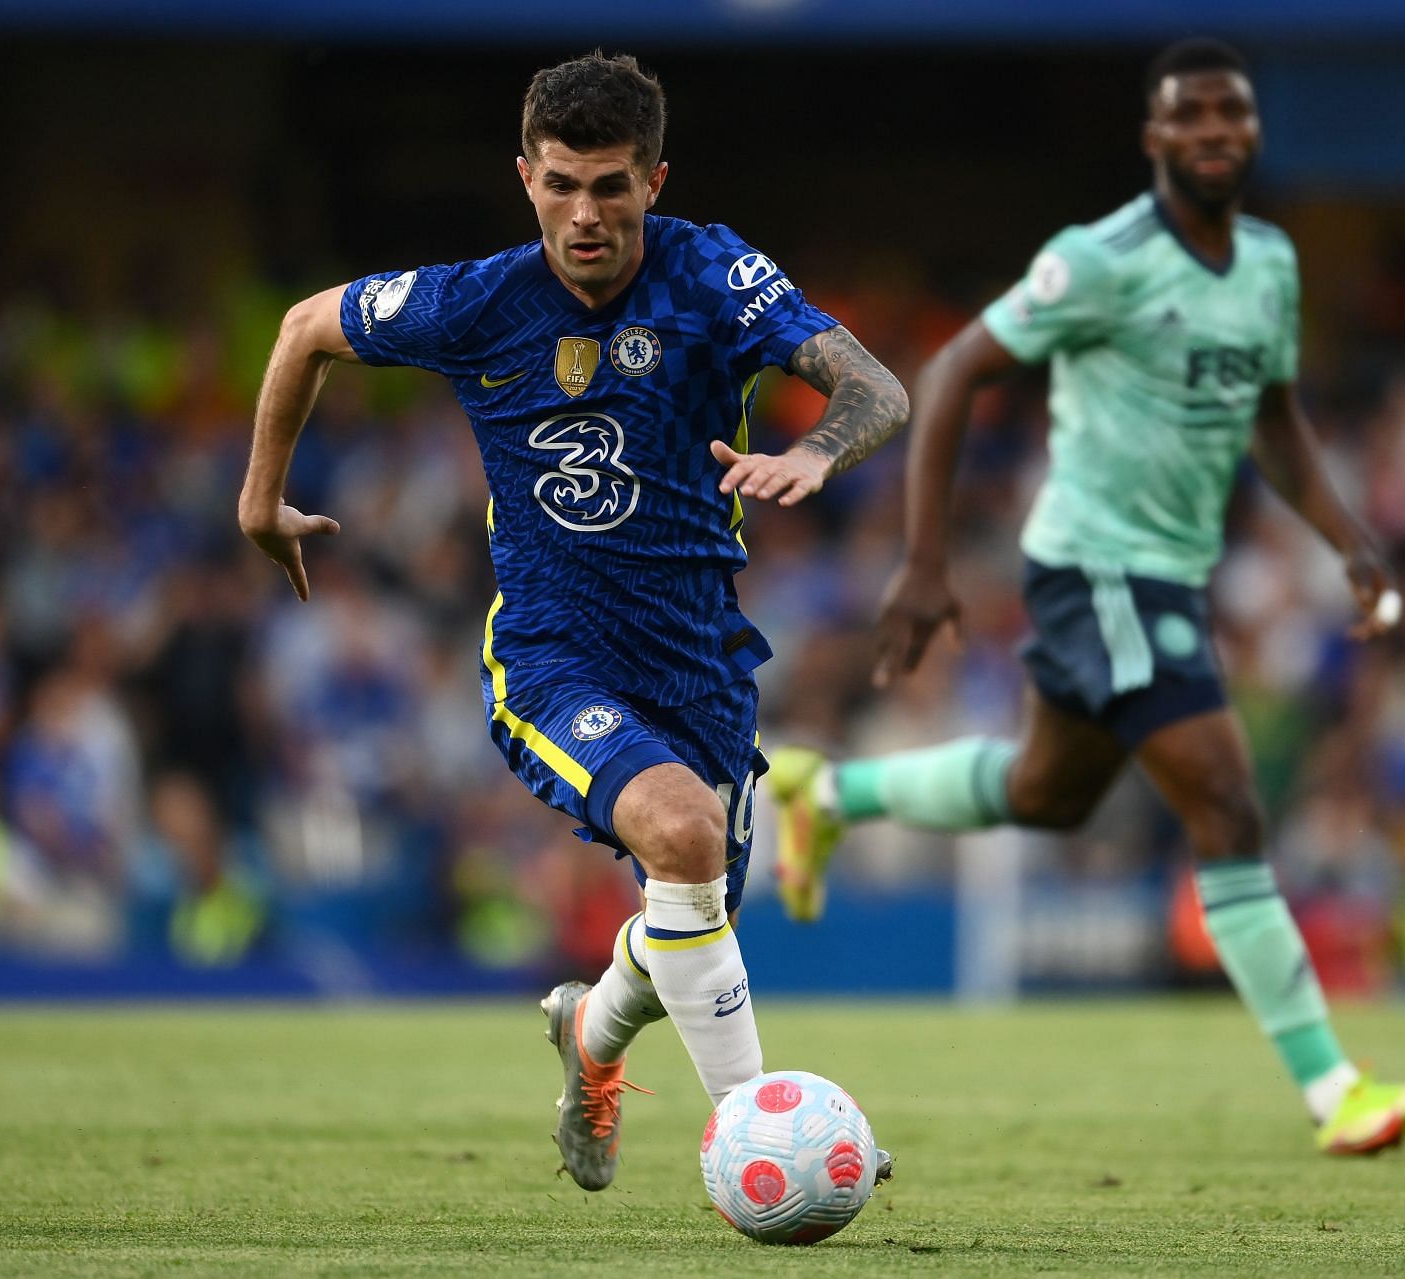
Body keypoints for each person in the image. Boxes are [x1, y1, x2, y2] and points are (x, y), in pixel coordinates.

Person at [237, 52, 908, 1190]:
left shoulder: (713, 272)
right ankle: (762, 1134)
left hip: (700, 664)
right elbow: (306, 327)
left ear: (655, 178)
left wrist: (812, 451)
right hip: (552, 655)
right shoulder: (478, 302)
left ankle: (587, 1035)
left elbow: (876, 387)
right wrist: (259, 502)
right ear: (524, 178)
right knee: (685, 838)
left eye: (610, 185)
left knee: (686, 915)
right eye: (560, 184)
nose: (584, 213)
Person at [770, 38, 1405, 1156]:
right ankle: (1335, 1090)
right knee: (1226, 805)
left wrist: (1348, 539)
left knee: (1046, 792)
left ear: (1253, 131)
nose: (1218, 132)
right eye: (1194, 116)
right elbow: (951, 373)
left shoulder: (1270, 264)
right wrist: (925, 560)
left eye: (1235, 114)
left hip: (1165, 570)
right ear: (1156, 137)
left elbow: (1270, 415)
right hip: (1100, 566)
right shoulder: (1101, 258)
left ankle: (828, 795)